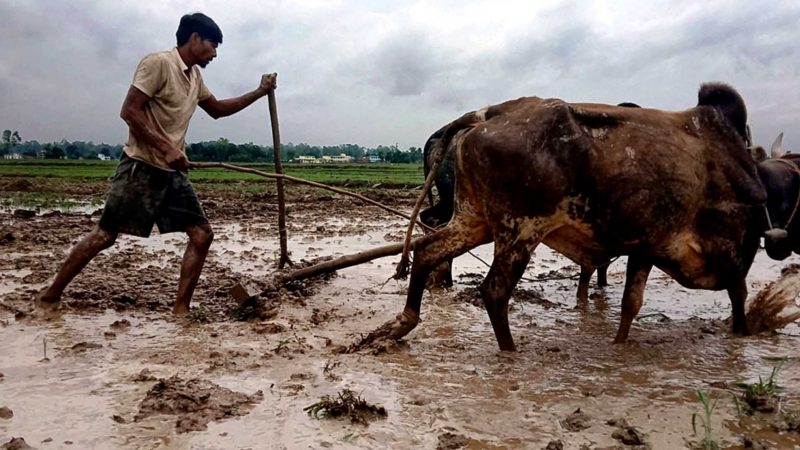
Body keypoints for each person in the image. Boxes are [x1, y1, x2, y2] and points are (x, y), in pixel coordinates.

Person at [35, 12, 277, 315]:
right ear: (194, 39)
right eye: (213, 45)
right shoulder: (158, 63)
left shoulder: (194, 76)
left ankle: (181, 310)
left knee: (202, 234)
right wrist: (167, 148)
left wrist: (259, 92)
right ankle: (50, 296)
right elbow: (130, 111)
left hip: (172, 173)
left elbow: (216, 109)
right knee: (106, 235)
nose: (215, 53)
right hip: (140, 166)